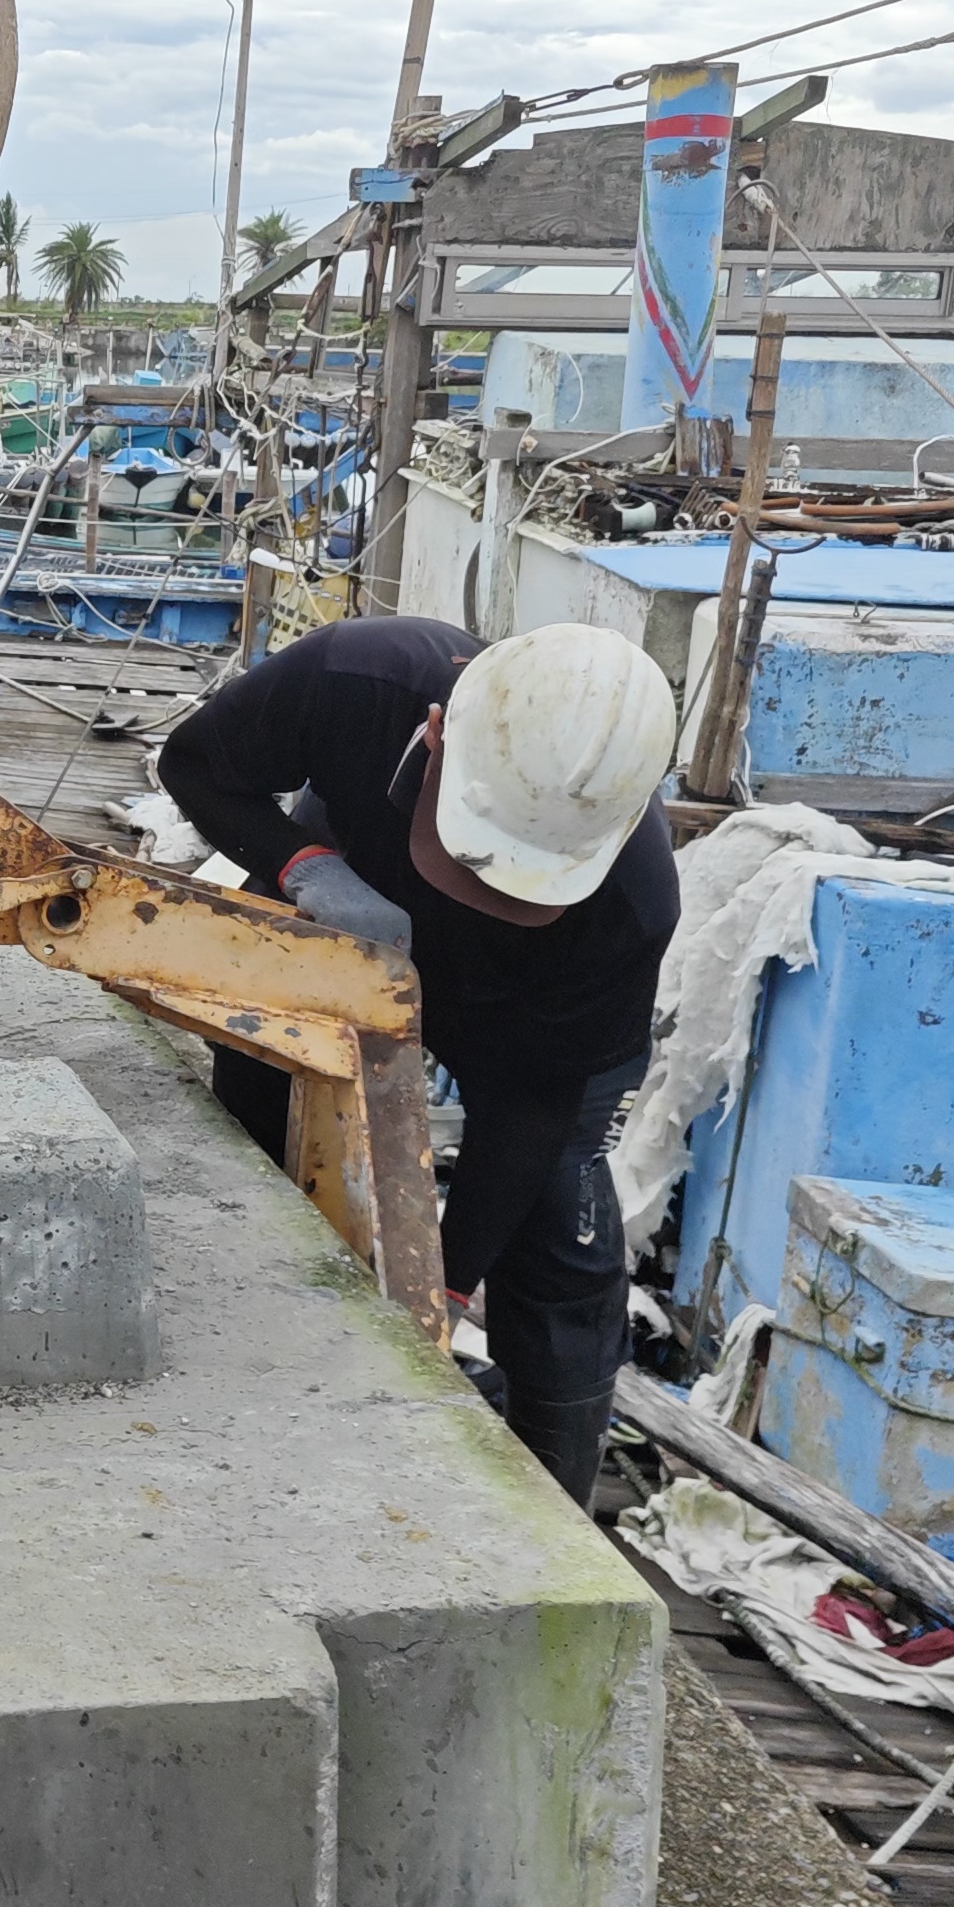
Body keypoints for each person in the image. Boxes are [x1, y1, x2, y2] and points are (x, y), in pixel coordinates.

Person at [155, 618, 679, 1507]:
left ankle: (544, 1521)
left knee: (557, 1216)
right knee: (256, 1141)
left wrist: (438, 1292)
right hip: (340, 913)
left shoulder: (629, 909)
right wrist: (303, 863)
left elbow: (528, 1108)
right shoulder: (354, 676)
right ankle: (241, 1402)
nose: (492, 890)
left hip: (523, 1012)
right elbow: (196, 766)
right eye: (480, 859)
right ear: (436, 732)